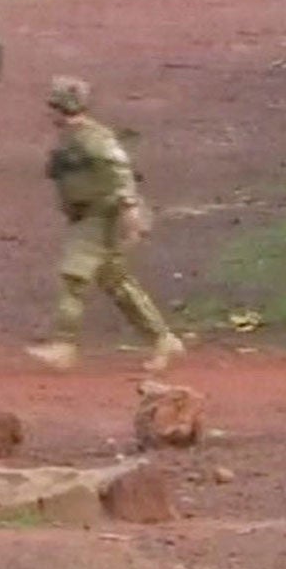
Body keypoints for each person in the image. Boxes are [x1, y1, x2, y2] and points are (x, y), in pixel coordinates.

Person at [26, 76, 185, 374]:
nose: (48, 112)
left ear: (63, 107)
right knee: (117, 282)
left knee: (74, 277)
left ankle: (64, 344)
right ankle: (162, 339)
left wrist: (130, 210)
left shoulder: (92, 138)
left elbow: (119, 170)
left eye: (53, 106)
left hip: (100, 217)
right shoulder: (73, 137)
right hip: (91, 215)